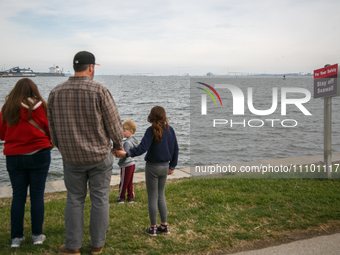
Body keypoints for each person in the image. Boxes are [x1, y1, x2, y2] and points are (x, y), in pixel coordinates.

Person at [48, 51, 124, 255]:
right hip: (99, 156)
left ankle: (73, 247)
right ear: (91, 67)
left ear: (75, 67)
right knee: (99, 199)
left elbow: (52, 127)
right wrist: (118, 145)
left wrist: (60, 146)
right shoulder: (99, 90)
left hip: (72, 158)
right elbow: (114, 124)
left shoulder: (56, 92)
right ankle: (97, 245)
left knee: (74, 199)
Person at [0, 78, 51, 248]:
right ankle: (37, 235)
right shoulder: (43, 108)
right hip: (39, 153)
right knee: (37, 196)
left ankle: (16, 238)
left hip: (14, 156)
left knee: (18, 196)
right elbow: (51, 130)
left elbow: (2, 134)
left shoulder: (7, 108)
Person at [114, 106, 179, 237]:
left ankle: (153, 228)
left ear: (151, 116)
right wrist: (172, 166)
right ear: (164, 116)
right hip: (165, 166)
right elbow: (175, 149)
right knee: (161, 196)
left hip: (152, 167)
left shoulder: (150, 131)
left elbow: (142, 148)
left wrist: (126, 153)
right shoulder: (170, 130)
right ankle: (165, 226)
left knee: (152, 197)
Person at [117, 119, 138, 204]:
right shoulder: (134, 140)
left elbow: (124, 155)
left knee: (123, 182)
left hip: (126, 164)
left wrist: (120, 162)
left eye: (124, 131)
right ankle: (130, 197)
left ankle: (121, 197)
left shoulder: (127, 143)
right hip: (132, 163)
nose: (122, 132)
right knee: (129, 181)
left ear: (131, 132)